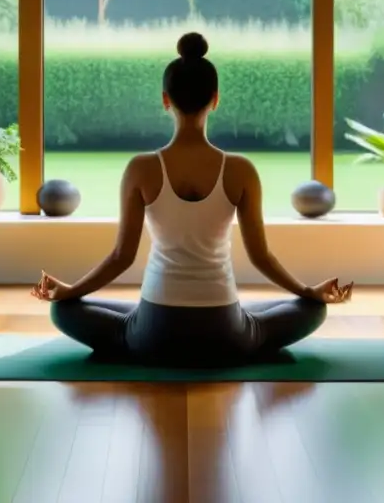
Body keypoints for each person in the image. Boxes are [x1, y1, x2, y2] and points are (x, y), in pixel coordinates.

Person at [32, 32, 353, 367]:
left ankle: (133, 331)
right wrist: (309, 292)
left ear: (165, 100)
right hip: (226, 335)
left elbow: (120, 257)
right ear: (215, 99)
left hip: (153, 336)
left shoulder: (141, 169)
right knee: (312, 309)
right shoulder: (240, 170)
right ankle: (254, 324)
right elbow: (261, 257)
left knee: (64, 310)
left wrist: (69, 291)